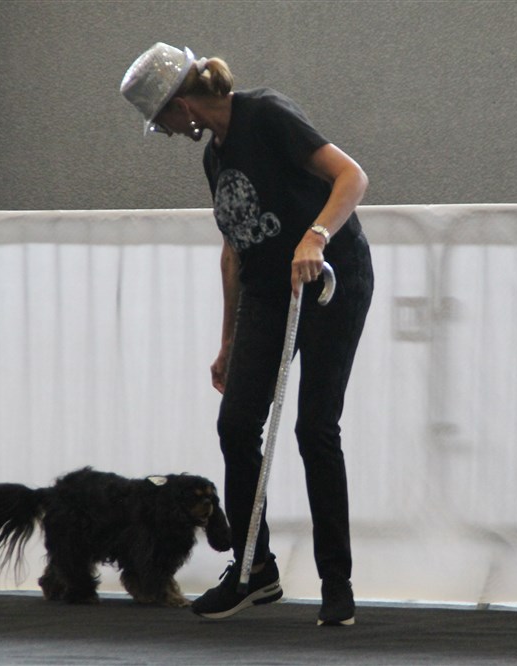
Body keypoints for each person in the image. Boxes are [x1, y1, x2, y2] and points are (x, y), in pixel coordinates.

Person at [121, 42, 373, 626]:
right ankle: (254, 569)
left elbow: (351, 177)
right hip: (267, 289)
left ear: (182, 104)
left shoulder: (266, 115)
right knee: (236, 426)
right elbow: (234, 251)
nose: (167, 132)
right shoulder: (214, 157)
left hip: (331, 278)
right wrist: (228, 341)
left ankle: (337, 581)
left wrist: (315, 236)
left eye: (162, 120)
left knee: (315, 429)